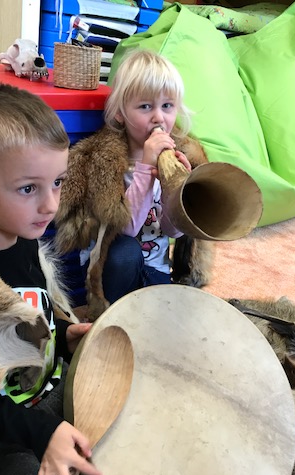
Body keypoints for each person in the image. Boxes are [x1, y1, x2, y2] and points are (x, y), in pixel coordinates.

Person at [0, 81, 103, 475]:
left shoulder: (25, 240)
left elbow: (35, 315)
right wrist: (43, 433)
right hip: (0, 431)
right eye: (28, 188)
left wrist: (63, 336)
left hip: (52, 390)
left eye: (58, 182)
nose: (50, 205)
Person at [55, 49, 213, 320]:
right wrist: (145, 169)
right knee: (125, 251)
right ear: (120, 113)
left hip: (154, 269)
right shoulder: (105, 162)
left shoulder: (176, 155)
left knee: (171, 323)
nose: (158, 118)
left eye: (167, 106)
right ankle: (111, 318)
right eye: (145, 107)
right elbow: (125, 228)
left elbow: (173, 232)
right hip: (110, 269)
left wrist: (176, 190)